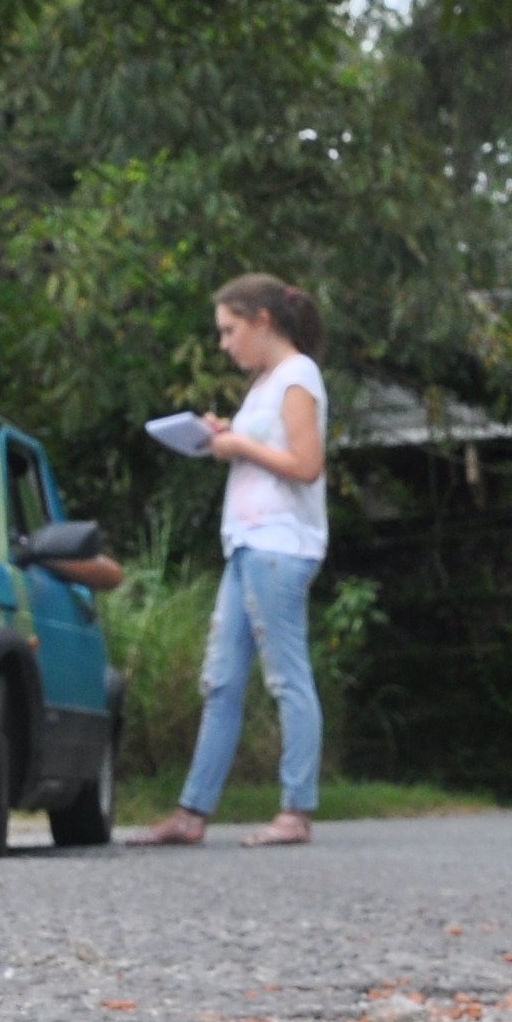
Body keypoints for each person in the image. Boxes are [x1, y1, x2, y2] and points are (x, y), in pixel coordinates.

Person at [148, 275, 330, 847]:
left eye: (230, 330)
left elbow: (305, 465)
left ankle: (296, 810)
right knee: (221, 682)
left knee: (286, 677)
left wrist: (238, 446)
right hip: (248, 544)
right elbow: (269, 451)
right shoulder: (264, 385)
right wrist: (224, 436)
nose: (224, 344)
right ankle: (191, 813)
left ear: (262, 321)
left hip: (279, 545)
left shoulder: (298, 376)